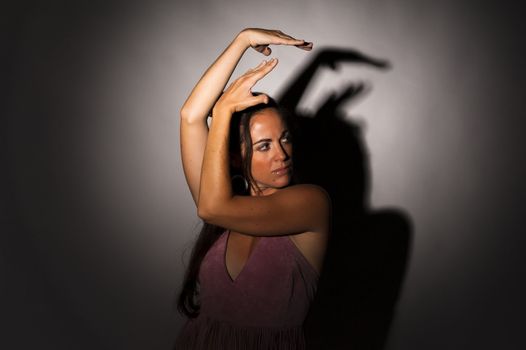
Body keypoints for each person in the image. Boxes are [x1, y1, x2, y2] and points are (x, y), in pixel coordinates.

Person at [175, 28, 331, 349]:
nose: (282, 154)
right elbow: (190, 117)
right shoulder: (226, 203)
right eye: (264, 146)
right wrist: (242, 40)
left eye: (284, 138)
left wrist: (222, 113)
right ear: (233, 157)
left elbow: (211, 208)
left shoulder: (311, 203)